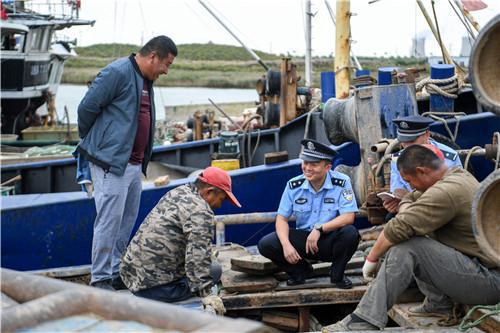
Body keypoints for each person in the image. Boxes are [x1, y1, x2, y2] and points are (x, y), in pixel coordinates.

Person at [323, 145, 500, 332]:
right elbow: (410, 197)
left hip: (490, 282)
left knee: (409, 246)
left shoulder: (446, 191)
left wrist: (371, 259)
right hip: (479, 272)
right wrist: (406, 205)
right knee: (417, 234)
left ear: (421, 171)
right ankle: (438, 303)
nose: (410, 185)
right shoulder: (456, 175)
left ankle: (364, 319)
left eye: (409, 180)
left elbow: (397, 228)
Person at [76, 36, 177, 290]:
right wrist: (102, 143)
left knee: (126, 220)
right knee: (109, 220)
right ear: (153, 56)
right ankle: (99, 277)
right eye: (166, 63)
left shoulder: (146, 80)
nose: (166, 70)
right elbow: (86, 109)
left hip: (133, 164)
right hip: (111, 163)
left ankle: (114, 270)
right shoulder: (118, 72)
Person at [120, 166, 241, 302]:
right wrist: (207, 295)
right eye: (222, 199)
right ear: (209, 192)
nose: (220, 205)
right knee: (215, 269)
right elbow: (197, 258)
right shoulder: (201, 212)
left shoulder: (178, 192)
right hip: (155, 290)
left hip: (130, 277)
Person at [258, 139, 360, 289]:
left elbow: (348, 217)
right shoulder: (294, 185)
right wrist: (286, 246)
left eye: (314, 164)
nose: (307, 168)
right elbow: (281, 219)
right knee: (267, 243)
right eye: (305, 163)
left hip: (329, 239)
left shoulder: (342, 182)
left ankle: (337, 275)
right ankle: (301, 271)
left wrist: (319, 229)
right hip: (304, 242)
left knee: (350, 233)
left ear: (327, 167)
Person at [383, 115, 462, 214]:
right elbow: (397, 192)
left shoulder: (449, 157)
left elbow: (455, 192)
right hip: (413, 209)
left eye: (412, 141)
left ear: (427, 134)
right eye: (403, 141)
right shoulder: (397, 160)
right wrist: (394, 204)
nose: (407, 147)